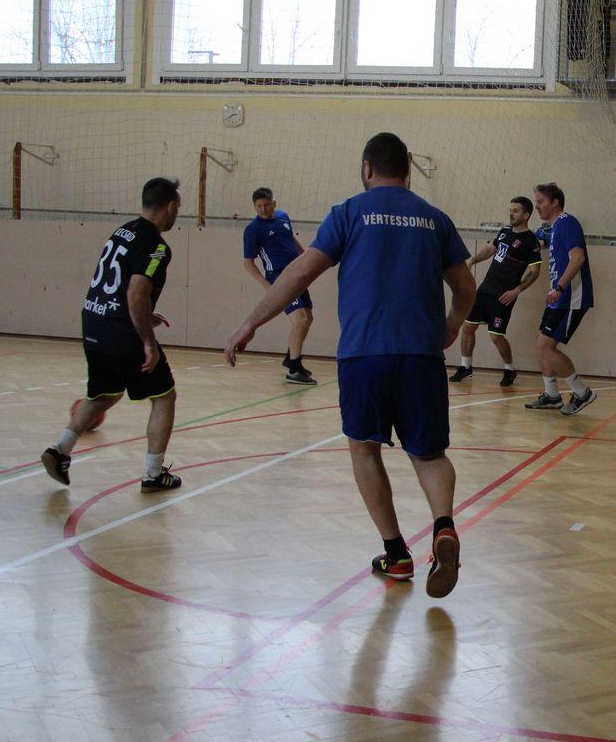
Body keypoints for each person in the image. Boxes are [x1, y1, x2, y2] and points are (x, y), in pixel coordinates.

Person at [224, 133, 476, 599]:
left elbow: (300, 272)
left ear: (366, 169)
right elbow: (466, 287)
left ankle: (396, 553)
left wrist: (251, 323)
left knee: (364, 450)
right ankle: (443, 526)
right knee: (430, 454)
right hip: (421, 354)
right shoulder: (435, 219)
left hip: (364, 354)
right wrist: (451, 325)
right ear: (408, 170)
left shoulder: (349, 213)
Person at [41, 177, 184, 493]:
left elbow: (120, 288)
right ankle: (153, 474)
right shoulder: (157, 246)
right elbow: (136, 292)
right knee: (164, 396)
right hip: (122, 332)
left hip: (94, 322)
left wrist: (144, 314)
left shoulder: (123, 231)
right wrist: (148, 341)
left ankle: (60, 449)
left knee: (105, 393)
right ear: (171, 206)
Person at [450, 196, 543, 387]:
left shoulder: (530, 241)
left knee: (496, 336)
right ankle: (465, 367)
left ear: (526, 215)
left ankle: (509, 370)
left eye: (515, 211)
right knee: (468, 327)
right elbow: (490, 249)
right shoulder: (504, 232)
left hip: (504, 295)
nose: (511, 214)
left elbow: (535, 271)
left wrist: (517, 290)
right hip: (485, 289)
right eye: (510, 210)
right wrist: (472, 260)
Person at [525, 183, 596, 416]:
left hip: (571, 297)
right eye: (536, 202)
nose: (537, 207)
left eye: (541, 202)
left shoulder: (567, 222)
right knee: (541, 345)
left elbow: (578, 258)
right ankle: (552, 395)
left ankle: (582, 392)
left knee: (546, 347)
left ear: (555, 202)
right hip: (558, 297)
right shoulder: (554, 228)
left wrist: (559, 287)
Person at [242, 187, 317, 385]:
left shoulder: (283, 217)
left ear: (274, 203)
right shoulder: (253, 230)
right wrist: (267, 285)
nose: (263, 209)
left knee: (308, 318)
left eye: (267, 205)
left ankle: (290, 357)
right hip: (279, 278)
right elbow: (248, 263)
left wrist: (306, 257)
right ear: (254, 206)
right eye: (259, 206)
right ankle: (294, 369)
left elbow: (290, 237)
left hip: (296, 273)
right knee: (299, 319)